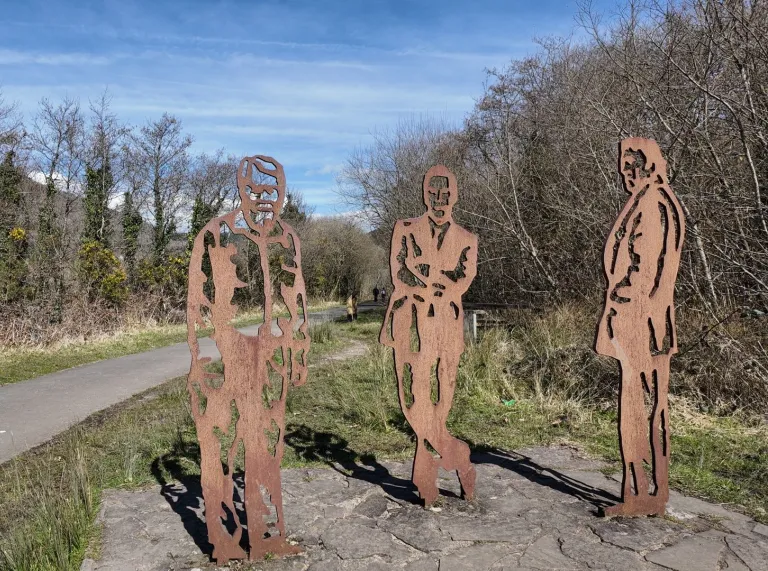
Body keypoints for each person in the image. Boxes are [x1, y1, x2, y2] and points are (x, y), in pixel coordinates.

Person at [187, 155, 309, 562]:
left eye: (270, 191)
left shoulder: (286, 238)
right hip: (228, 357)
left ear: (282, 193)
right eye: (254, 191)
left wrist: (299, 352)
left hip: (271, 359)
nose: (263, 199)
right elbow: (197, 303)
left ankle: (266, 534)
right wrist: (198, 361)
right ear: (241, 190)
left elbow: (297, 299)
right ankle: (224, 539)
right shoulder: (215, 234)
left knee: (267, 444)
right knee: (221, 446)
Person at [595, 138, 685, 517]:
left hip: (642, 322)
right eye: (624, 166)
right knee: (642, 404)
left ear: (651, 164)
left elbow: (645, 270)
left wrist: (621, 300)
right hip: (639, 321)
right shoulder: (647, 201)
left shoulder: (654, 204)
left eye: (634, 165)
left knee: (643, 406)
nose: (628, 172)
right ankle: (643, 489)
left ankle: (645, 493)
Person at [379, 165, 478, 506]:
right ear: (424, 193)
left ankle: (426, 473)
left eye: (446, 193)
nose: (439, 199)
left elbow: (464, 278)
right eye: (433, 192)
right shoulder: (405, 228)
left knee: (442, 401)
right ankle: (457, 456)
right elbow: (399, 270)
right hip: (409, 323)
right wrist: (426, 283)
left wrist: (437, 281)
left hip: (446, 325)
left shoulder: (467, 239)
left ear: (455, 196)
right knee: (412, 399)